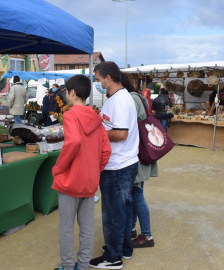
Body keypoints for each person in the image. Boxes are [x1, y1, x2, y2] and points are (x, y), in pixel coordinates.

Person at [52, 74, 111, 270]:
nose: (66, 95)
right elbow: (106, 151)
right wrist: (95, 169)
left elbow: (74, 142)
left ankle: (68, 266)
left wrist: (58, 168)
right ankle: (83, 265)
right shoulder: (96, 119)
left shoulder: (70, 115)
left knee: (66, 229)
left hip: (70, 181)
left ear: (72, 93)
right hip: (89, 181)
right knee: (87, 228)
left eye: (66, 92)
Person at [89, 62, 139, 270]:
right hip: (123, 163)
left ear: (108, 78)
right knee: (123, 209)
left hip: (117, 165)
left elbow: (120, 133)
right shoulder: (119, 98)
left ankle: (113, 257)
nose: (98, 82)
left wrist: (96, 131)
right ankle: (123, 248)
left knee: (113, 212)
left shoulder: (119, 100)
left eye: (98, 78)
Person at [121, 72, 158, 249]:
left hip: (137, 154)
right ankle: (132, 230)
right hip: (139, 152)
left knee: (136, 195)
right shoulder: (137, 96)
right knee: (135, 194)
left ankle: (147, 235)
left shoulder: (131, 99)